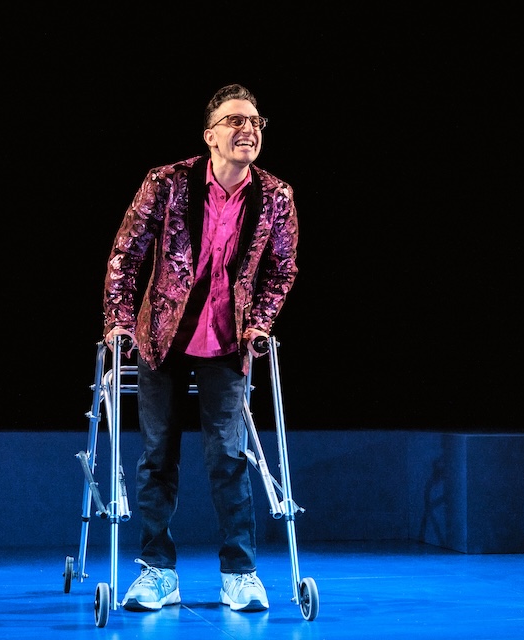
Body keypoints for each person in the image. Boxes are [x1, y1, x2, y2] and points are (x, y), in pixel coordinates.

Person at [101, 83, 299, 613]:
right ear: (210, 136)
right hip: (163, 337)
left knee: (228, 458)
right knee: (157, 456)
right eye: (235, 120)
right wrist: (119, 321)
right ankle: (158, 571)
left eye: (256, 121)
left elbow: (282, 269)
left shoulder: (276, 197)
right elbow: (127, 253)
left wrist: (259, 322)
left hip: (228, 341)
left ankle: (240, 573)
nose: (248, 129)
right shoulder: (167, 183)